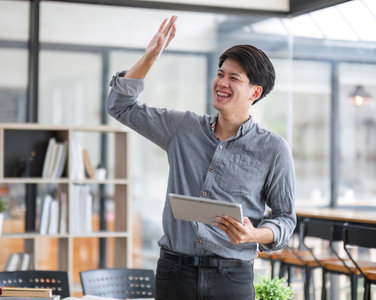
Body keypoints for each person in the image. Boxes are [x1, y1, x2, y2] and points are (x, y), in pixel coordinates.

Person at [106, 16, 296, 300]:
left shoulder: (273, 149)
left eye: (234, 78)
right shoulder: (183, 128)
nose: (222, 82)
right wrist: (150, 57)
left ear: (255, 92)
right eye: (220, 73)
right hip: (174, 272)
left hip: (231, 276)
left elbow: (285, 219)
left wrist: (255, 235)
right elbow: (119, 106)